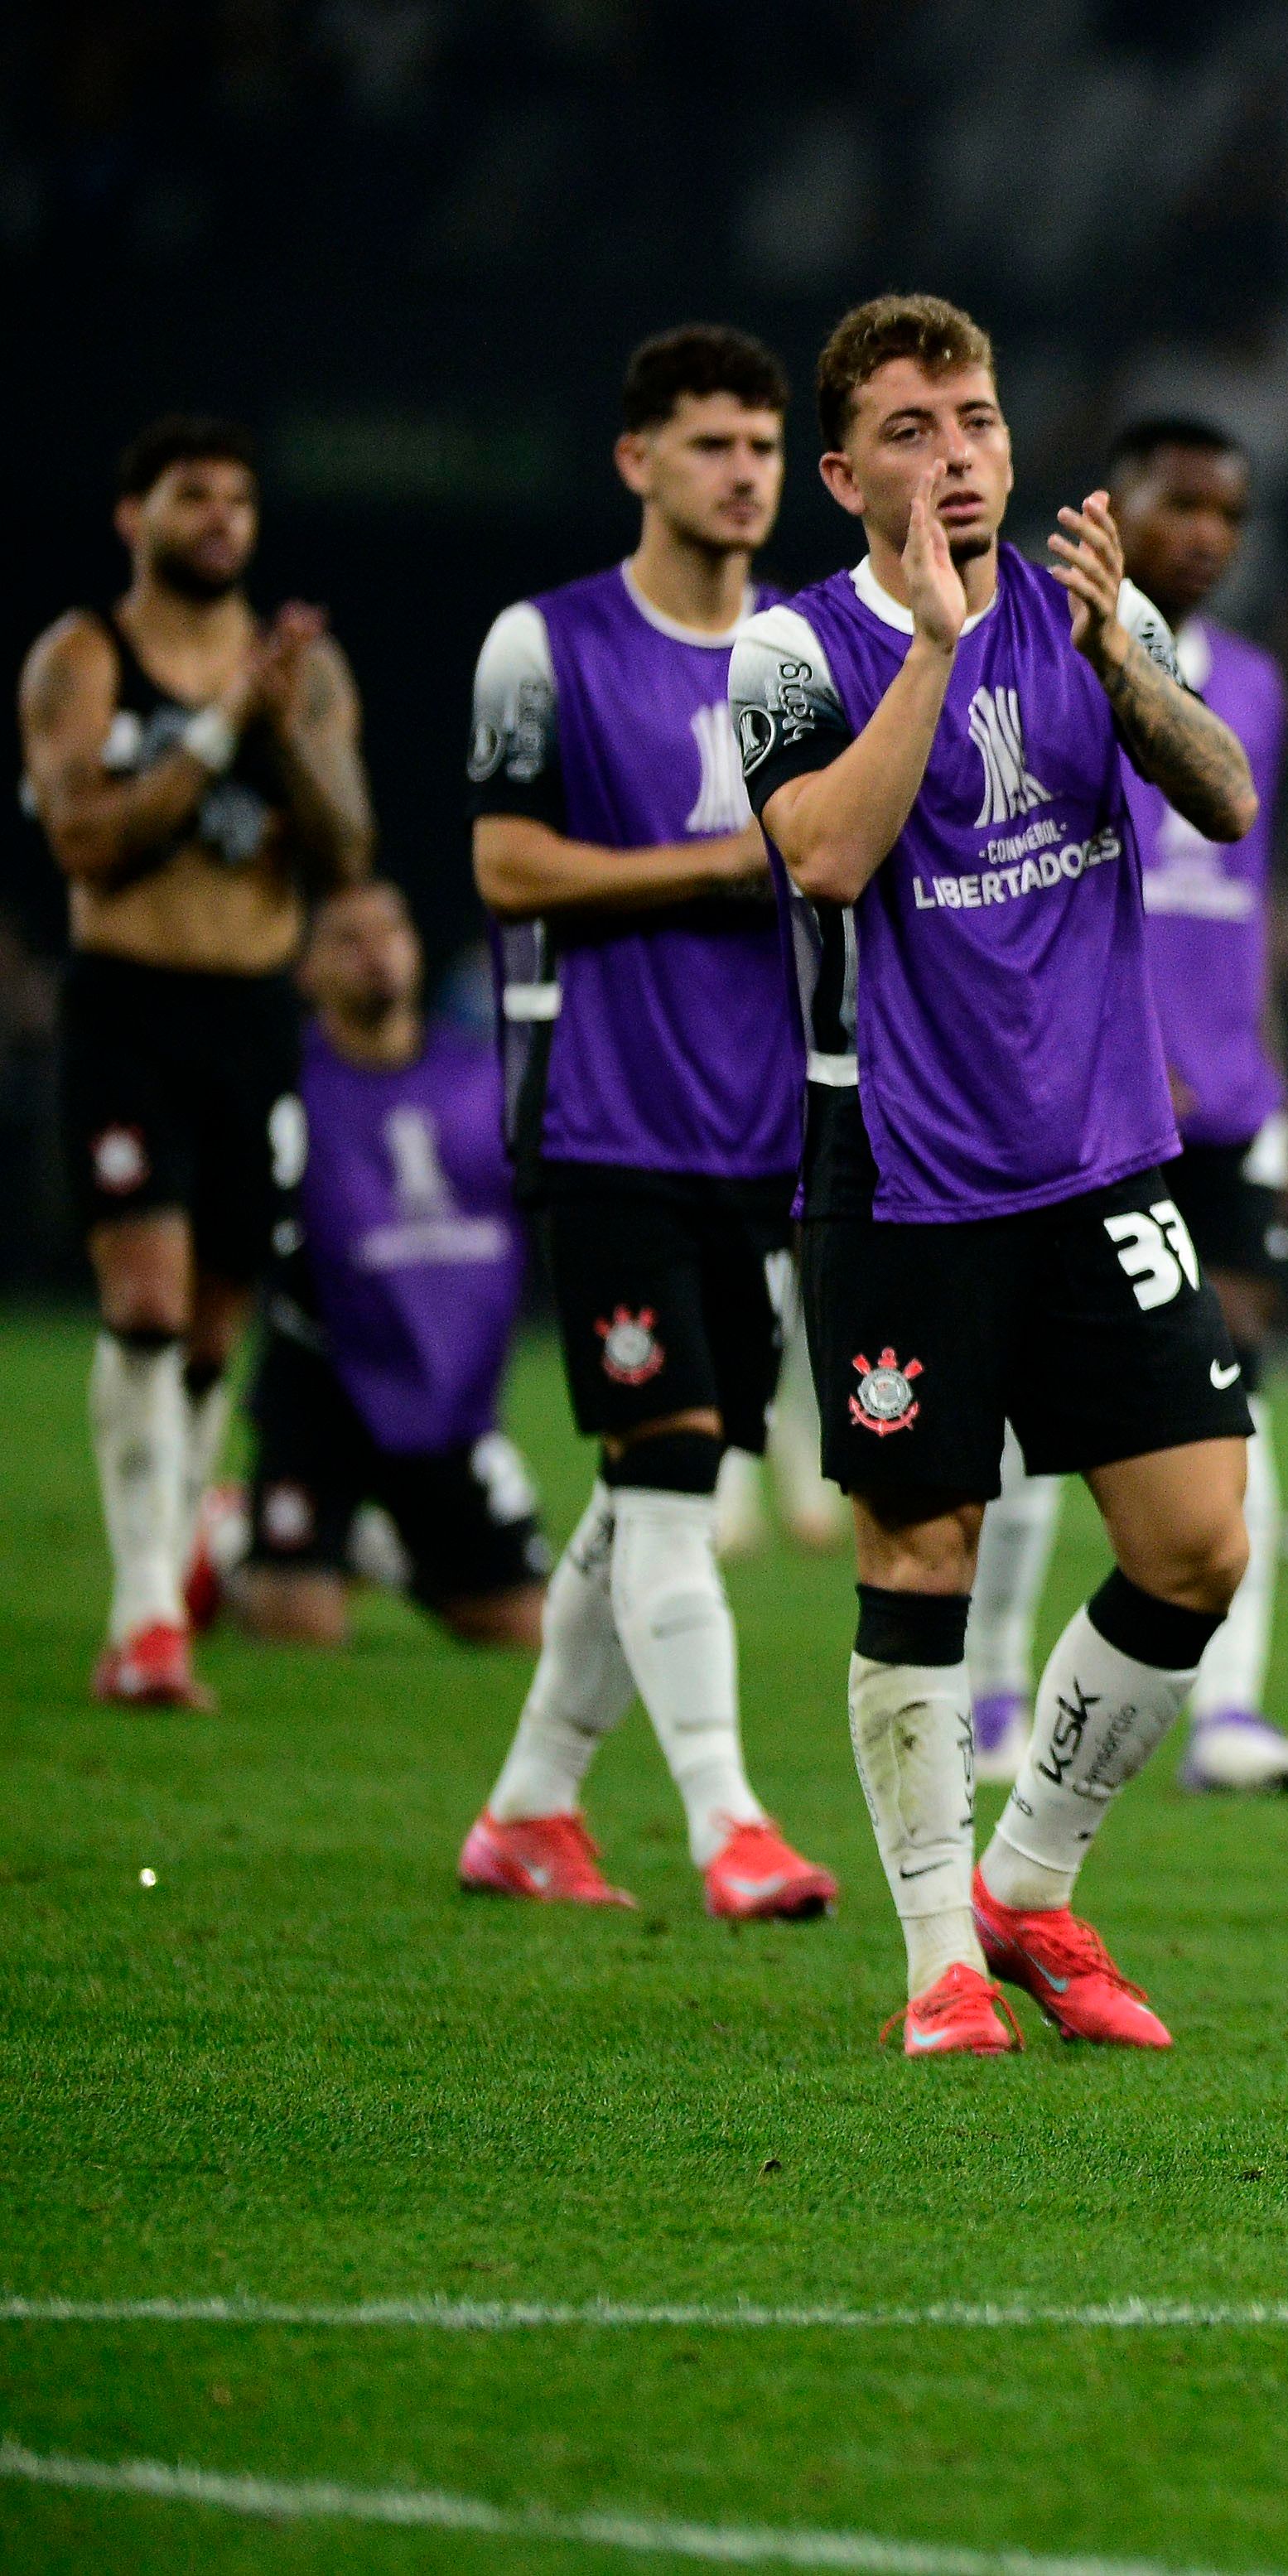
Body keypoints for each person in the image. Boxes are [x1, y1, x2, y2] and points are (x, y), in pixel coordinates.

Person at [734, 292, 1263, 2056]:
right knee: (922, 1546)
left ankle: (1024, 1883)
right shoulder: (794, 653)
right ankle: (929, 1962)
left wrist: (1121, 661)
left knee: (1196, 1545)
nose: (952, 454)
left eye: (972, 420)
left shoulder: (1097, 614)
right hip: (897, 1172)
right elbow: (823, 853)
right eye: (908, 429)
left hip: (1102, 1161)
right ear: (840, 470)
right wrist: (934, 651)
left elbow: (1228, 797)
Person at [456, 325, 839, 1920]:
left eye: (761, 446)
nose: (743, 474)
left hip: (760, 1140)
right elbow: (505, 868)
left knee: (644, 1489)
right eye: (710, 445)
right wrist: (711, 868)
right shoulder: (540, 647)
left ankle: (531, 1807)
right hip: (607, 1118)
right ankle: (728, 1822)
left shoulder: (806, 659)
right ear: (638, 461)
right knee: (674, 1468)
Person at [961, 416, 1288, 1799]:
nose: (1210, 538)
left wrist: (1268, 1073)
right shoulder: (1039, 652)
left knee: (1234, 1387)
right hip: (1093, 1097)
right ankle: (994, 1688)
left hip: (1229, 1098)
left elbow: (1239, 898)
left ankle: (1224, 1710)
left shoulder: (1262, 688)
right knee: (1039, 1400)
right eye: (1184, 508)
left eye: (1230, 513)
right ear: (1118, 510)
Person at [21, 415, 374, 1710]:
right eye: (191, 496)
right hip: (129, 1005)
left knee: (212, 1333)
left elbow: (344, 848)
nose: (220, 516)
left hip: (251, 1016)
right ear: (137, 516)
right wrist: (224, 725)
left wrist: (277, 726)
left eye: (237, 497)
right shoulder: (83, 658)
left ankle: (160, 1586)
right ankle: (146, 1613)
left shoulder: (303, 673)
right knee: (149, 1307)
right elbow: (85, 840)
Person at [234, 879, 550, 1652]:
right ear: (305, 969)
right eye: (347, 938)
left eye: (391, 931)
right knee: (299, 1630)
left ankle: (385, 1549)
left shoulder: (480, 1077)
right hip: (323, 1388)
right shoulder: (285, 1083)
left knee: (526, 1631)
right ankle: (235, 1542)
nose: (377, 954)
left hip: (445, 1395)